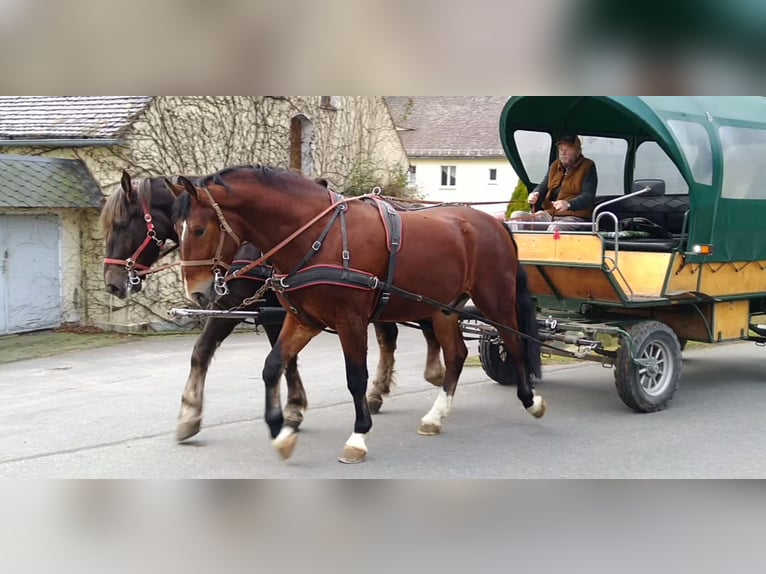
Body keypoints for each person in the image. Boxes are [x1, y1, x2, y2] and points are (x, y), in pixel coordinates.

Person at [509, 134, 598, 232]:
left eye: (567, 149)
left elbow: (588, 197)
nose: (563, 153)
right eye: (561, 149)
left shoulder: (588, 166)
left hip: (575, 217)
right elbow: (542, 186)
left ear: (578, 151)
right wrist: (535, 194)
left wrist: (568, 204)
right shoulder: (555, 166)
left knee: (555, 228)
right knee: (517, 218)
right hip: (549, 214)